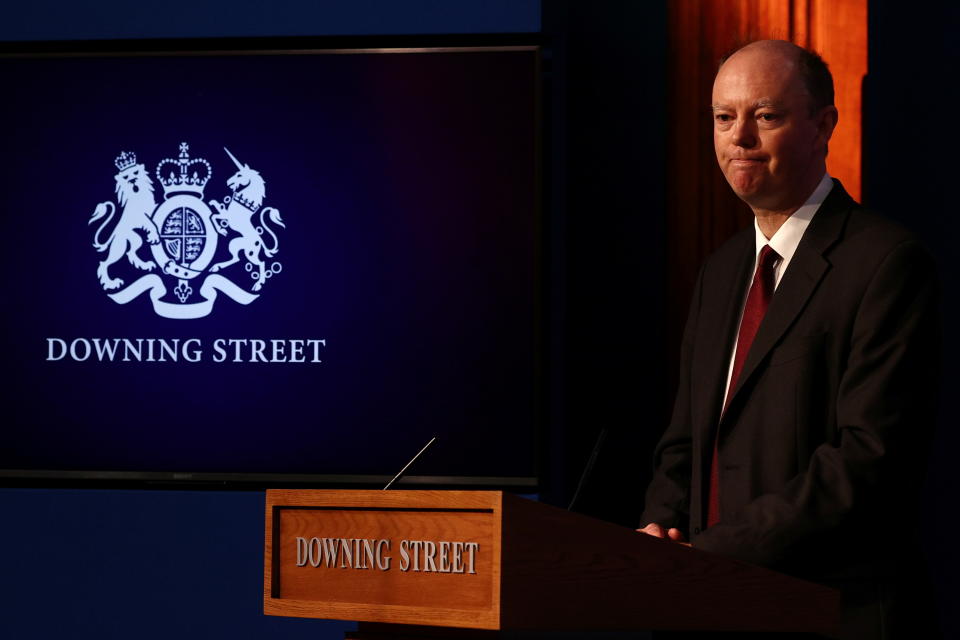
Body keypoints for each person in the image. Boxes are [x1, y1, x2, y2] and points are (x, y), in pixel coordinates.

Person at [638, 40, 940, 638]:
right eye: (724, 118)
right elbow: (685, 441)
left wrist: (715, 549)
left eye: (765, 115)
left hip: (831, 611)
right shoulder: (721, 272)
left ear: (823, 124)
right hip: (707, 608)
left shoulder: (885, 262)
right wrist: (659, 529)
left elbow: (868, 460)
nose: (739, 138)